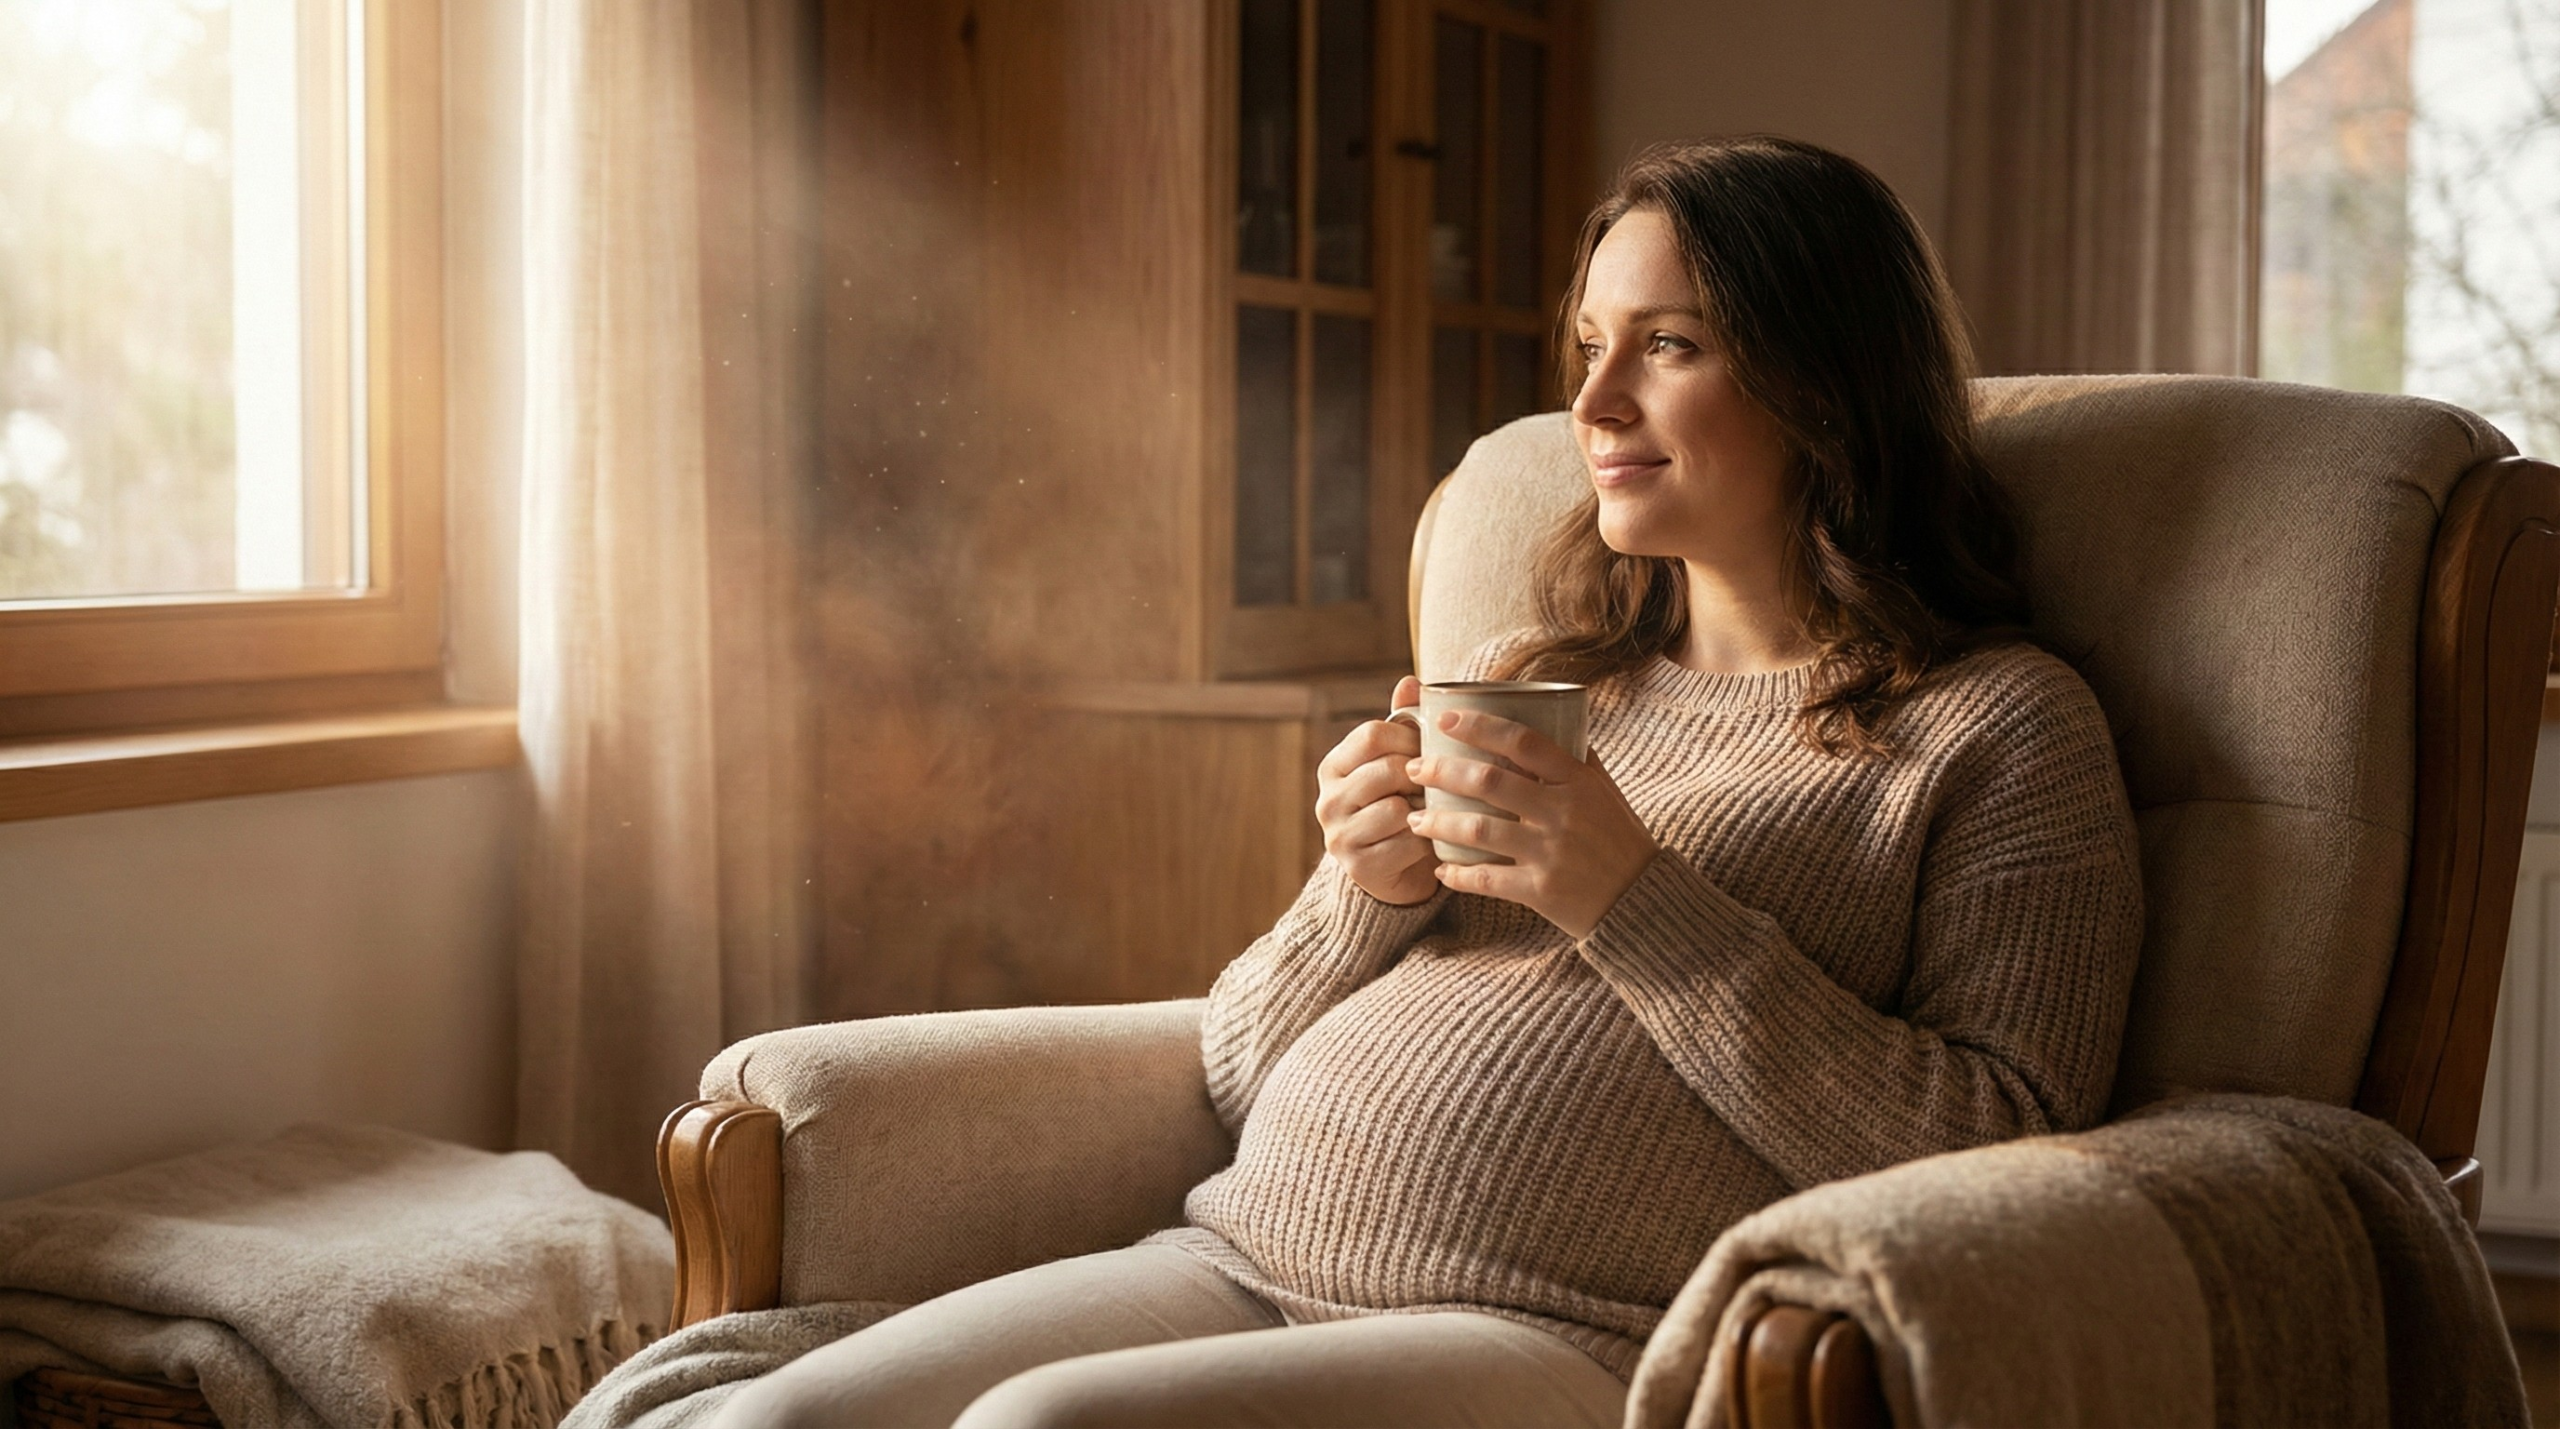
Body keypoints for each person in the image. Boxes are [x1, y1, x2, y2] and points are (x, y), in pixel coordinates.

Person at [712, 136, 2143, 1429]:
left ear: (1825, 386)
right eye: (1589, 345)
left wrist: (1630, 900)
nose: (1592, 401)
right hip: (1235, 1254)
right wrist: (1362, 892)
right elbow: (1233, 1066)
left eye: (1670, 346)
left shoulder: (1998, 729)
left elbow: (1999, 1154)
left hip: (1566, 1336)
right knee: (762, 1423)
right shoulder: (1552, 672)